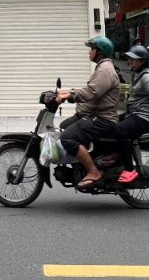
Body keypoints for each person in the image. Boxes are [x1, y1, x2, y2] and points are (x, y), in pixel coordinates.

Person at [55, 36, 121, 191]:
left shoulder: (105, 69)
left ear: (100, 52)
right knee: (65, 126)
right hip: (97, 115)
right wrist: (68, 93)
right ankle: (82, 163)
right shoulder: (102, 67)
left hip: (103, 118)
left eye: (92, 49)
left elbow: (91, 92)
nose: (89, 52)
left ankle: (93, 171)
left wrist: (70, 95)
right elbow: (90, 90)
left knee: (67, 138)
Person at [116, 45, 149, 184]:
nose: (129, 61)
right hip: (139, 113)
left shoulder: (147, 78)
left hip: (145, 116)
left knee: (120, 130)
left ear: (142, 61)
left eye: (133, 59)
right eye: (129, 59)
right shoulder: (137, 74)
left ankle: (129, 169)